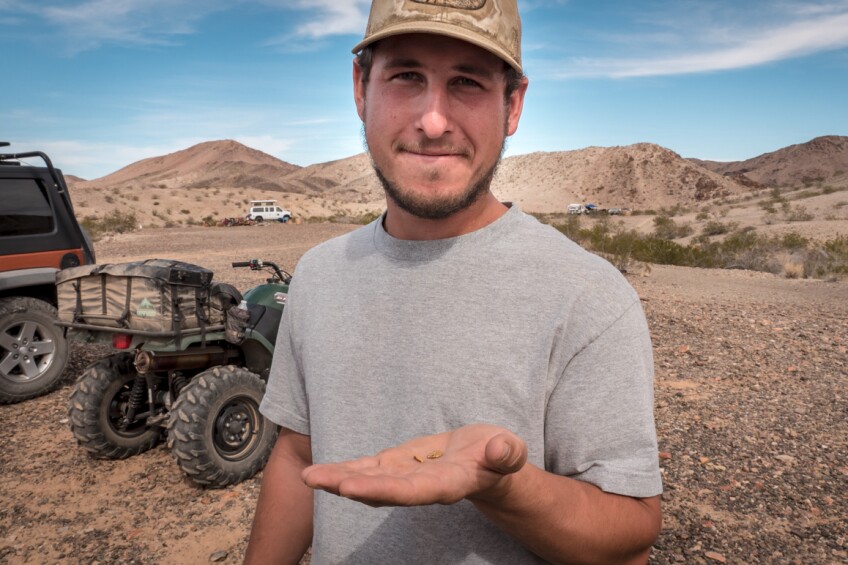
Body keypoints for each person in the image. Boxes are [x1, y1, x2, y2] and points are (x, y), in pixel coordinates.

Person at [245, 1, 662, 563]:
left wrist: (505, 487)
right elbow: (297, 456)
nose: (434, 121)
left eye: (467, 82)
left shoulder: (588, 297)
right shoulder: (319, 274)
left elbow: (631, 531)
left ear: (513, 105)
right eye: (406, 76)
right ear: (361, 88)